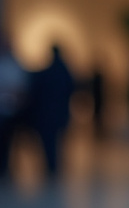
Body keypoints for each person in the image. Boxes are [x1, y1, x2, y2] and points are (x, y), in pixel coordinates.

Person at [27, 44, 75, 177]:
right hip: (60, 111)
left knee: (49, 140)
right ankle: (53, 164)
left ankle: (51, 164)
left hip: (47, 112)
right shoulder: (65, 71)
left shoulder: (47, 72)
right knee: (56, 139)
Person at [0, 34, 29, 179]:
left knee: (11, 141)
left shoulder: (16, 66)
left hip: (13, 111)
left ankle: (8, 166)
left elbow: (22, 88)